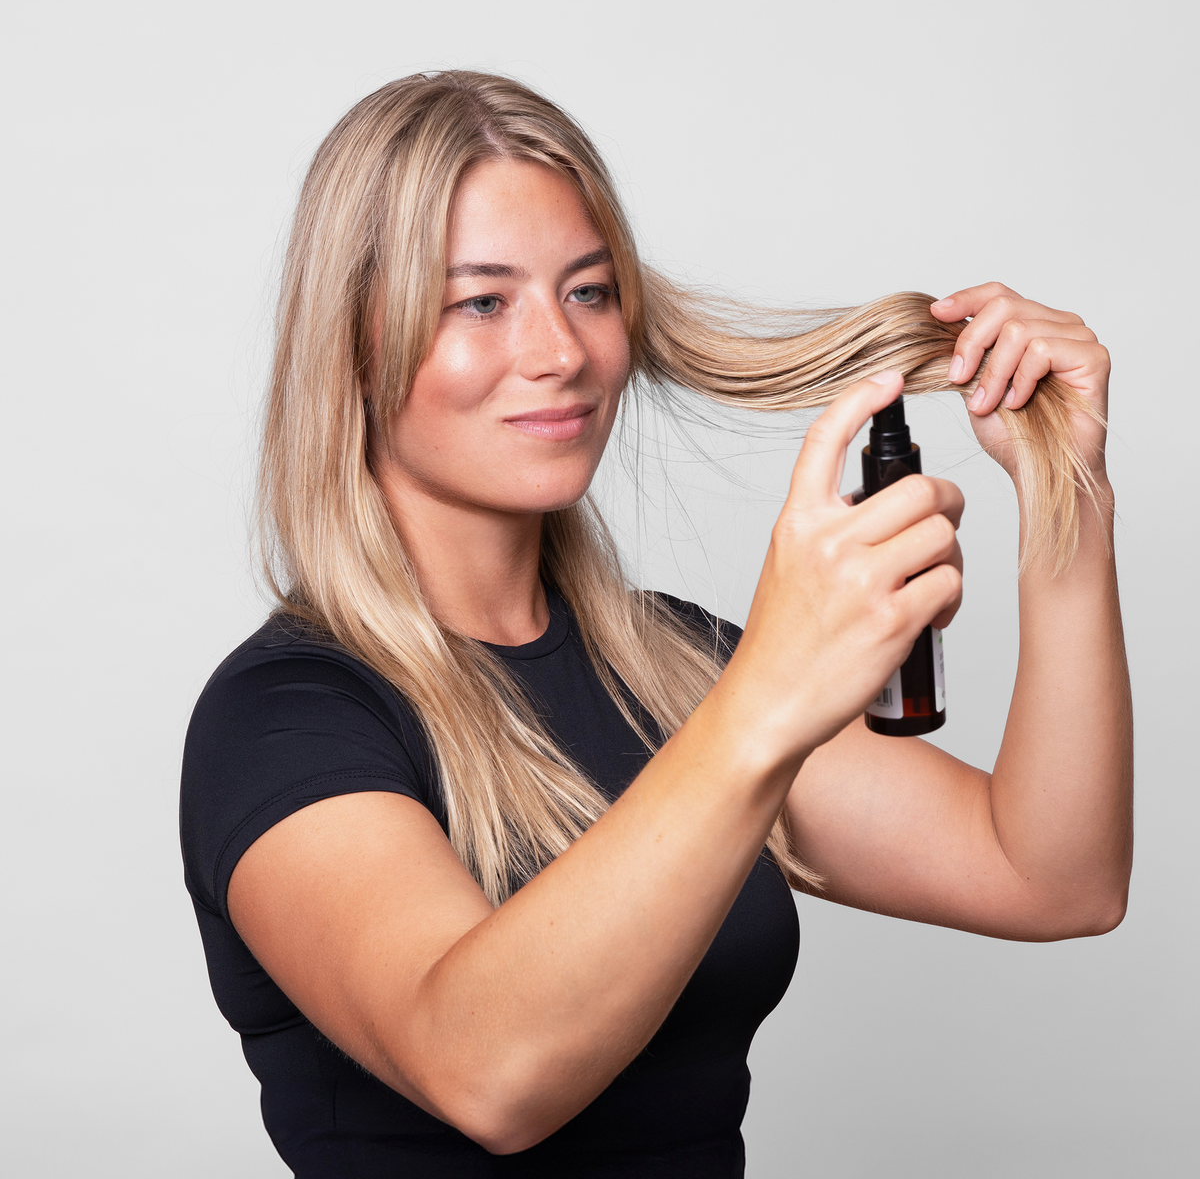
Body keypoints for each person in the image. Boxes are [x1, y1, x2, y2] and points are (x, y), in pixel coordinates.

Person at [180, 70, 1131, 1178]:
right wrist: (770, 694)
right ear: (355, 341)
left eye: (589, 292)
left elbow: (1053, 875)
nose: (562, 353)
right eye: (480, 302)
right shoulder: (287, 719)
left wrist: (1070, 501)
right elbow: (489, 1074)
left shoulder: (673, 663)